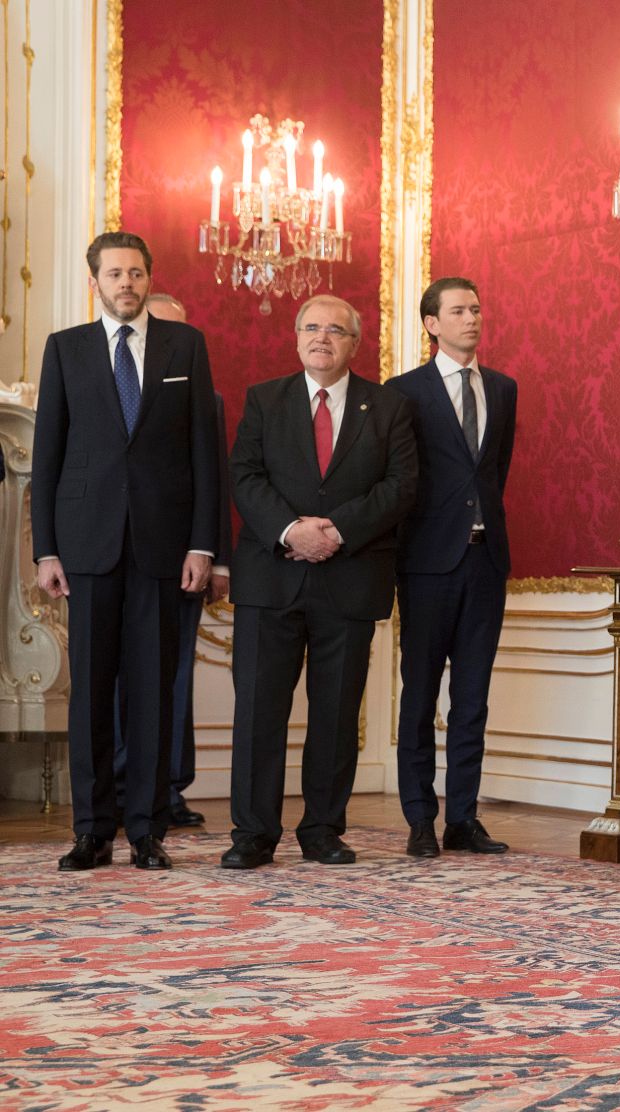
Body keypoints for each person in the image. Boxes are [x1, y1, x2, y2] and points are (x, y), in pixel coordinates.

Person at [34, 232, 219, 872]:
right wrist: (46, 550)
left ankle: (146, 829)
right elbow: (47, 460)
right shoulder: (66, 350)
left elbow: (204, 455)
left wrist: (204, 544)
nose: (126, 283)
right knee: (89, 694)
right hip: (86, 547)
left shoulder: (185, 346)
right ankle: (91, 831)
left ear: (147, 276)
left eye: (136, 272)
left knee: (152, 691)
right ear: (96, 281)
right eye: (114, 273)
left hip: (163, 548)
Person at [221, 294, 417, 869]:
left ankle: (323, 830)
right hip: (270, 579)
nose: (322, 338)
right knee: (259, 711)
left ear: (355, 343)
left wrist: (336, 531)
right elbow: (244, 476)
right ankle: (253, 835)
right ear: (296, 337)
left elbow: (402, 486)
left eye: (336, 330)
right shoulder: (264, 400)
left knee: (335, 713)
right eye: (312, 327)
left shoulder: (389, 407)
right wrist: (290, 530)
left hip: (350, 576)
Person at [388, 277, 518, 857]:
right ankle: (420, 817)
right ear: (431, 324)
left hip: (485, 562)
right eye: (459, 310)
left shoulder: (504, 388)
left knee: (472, 699)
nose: (473, 317)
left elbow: (494, 473)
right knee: (419, 695)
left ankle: (462, 817)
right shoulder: (403, 392)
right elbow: (401, 481)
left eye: (477, 307)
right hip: (426, 565)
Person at [111, 292, 230, 831]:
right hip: (111, 554)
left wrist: (217, 559)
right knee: (114, 677)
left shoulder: (207, 397)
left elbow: (216, 479)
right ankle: (118, 785)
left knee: (173, 677)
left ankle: (168, 788)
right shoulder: (102, 381)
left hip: (181, 558)